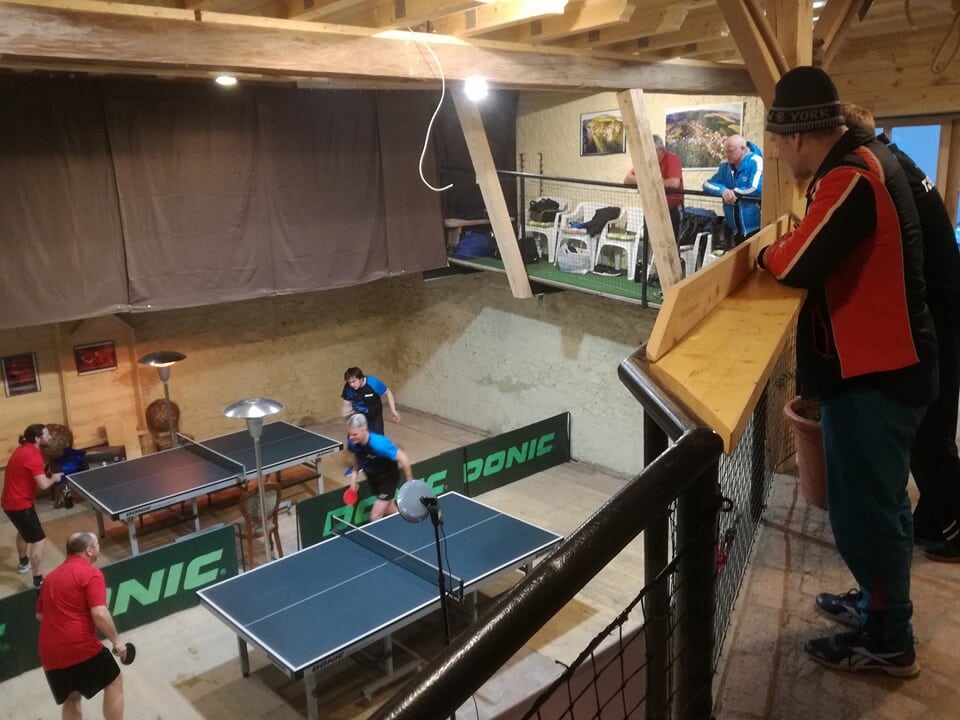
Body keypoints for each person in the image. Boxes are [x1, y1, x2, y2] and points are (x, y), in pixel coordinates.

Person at [758, 66, 937, 677]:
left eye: (777, 142)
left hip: (876, 376)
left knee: (866, 514)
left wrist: (764, 252)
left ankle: (888, 638)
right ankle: (877, 604)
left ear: (798, 135)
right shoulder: (865, 160)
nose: (777, 155)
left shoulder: (850, 177)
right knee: (882, 507)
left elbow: (796, 262)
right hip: (888, 367)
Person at [843, 103, 960, 563]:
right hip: (944, 302)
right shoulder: (896, 160)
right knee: (932, 424)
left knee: (930, 429)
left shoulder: (876, 168)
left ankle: (955, 524)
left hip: (939, 309)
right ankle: (934, 516)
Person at [37, 531, 127, 720]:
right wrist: (117, 642)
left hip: (50, 654)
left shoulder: (50, 579)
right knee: (113, 680)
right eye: (97, 544)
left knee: (71, 697)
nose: (99, 547)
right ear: (89, 550)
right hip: (79, 646)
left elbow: (40, 615)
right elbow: (99, 613)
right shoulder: (91, 574)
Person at [2, 424, 62, 588]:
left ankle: (23, 562)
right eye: (47, 435)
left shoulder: (22, 449)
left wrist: (44, 472)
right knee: (38, 540)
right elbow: (43, 485)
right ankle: (38, 580)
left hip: (9, 502)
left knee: (24, 531)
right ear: (37, 438)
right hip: (20, 505)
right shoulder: (33, 455)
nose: (50, 437)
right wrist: (54, 478)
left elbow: (29, 473)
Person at [345, 413, 414, 520]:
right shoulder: (352, 442)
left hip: (388, 478)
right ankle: (405, 522)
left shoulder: (379, 444)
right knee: (389, 510)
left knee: (375, 516)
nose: (351, 437)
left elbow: (403, 457)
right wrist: (354, 479)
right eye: (349, 434)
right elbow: (357, 457)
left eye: (354, 434)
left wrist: (410, 481)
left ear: (364, 429)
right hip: (374, 479)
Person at [702, 134, 763, 240]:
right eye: (725, 151)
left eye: (730, 151)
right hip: (733, 228)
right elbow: (707, 184)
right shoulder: (724, 166)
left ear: (742, 149)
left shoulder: (756, 161)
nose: (727, 155)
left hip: (754, 227)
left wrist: (733, 193)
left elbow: (756, 188)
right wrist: (723, 191)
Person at [624, 134, 684, 239]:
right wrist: (647, 182)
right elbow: (627, 179)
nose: (647, 154)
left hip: (671, 210)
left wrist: (647, 184)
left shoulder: (671, 159)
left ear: (660, 150)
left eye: (650, 151)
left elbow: (674, 183)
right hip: (652, 209)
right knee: (653, 242)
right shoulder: (646, 161)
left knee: (672, 243)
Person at [341, 367, 400, 435]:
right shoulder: (348, 388)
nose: (352, 385)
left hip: (375, 416)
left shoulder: (373, 383)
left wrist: (393, 410)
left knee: (377, 439)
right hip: (358, 415)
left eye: (354, 381)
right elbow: (346, 403)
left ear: (361, 378)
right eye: (349, 382)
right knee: (355, 437)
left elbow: (388, 393)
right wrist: (346, 414)